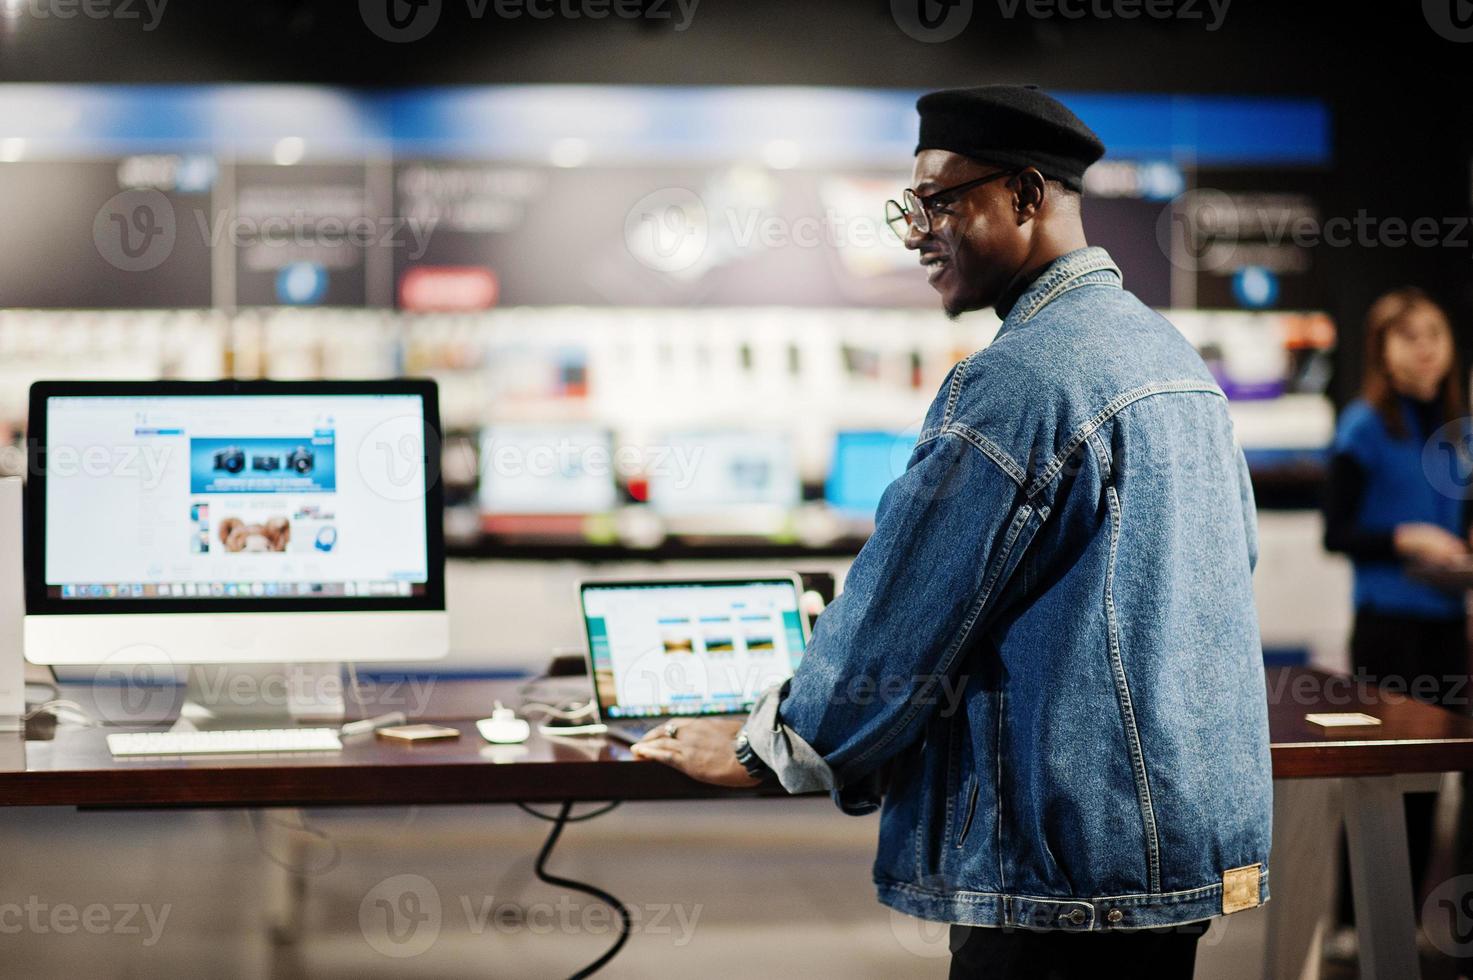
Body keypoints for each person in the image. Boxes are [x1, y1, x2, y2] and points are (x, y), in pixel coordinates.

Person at [633, 84, 1272, 980]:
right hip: (1166, 855)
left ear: (1022, 195)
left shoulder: (1017, 381)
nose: (912, 229)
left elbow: (903, 614)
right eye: (910, 204)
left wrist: (765, 747)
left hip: (1055, 869)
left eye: (937, 199)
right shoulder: (1173, 362)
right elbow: (1226, 571)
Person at [1322, 287, 1473, 954]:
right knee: (1379, 777)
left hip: (1446, 621)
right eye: (1408, 336)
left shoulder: (1457, 432)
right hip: (1388, 624)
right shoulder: (1361, 426)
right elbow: (1337, 532)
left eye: (1434, 334)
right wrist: (1406, 538)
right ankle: (1355, 922)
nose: (1424, 347)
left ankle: (1410, 917)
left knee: (1436, 780)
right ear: (1381, 351)